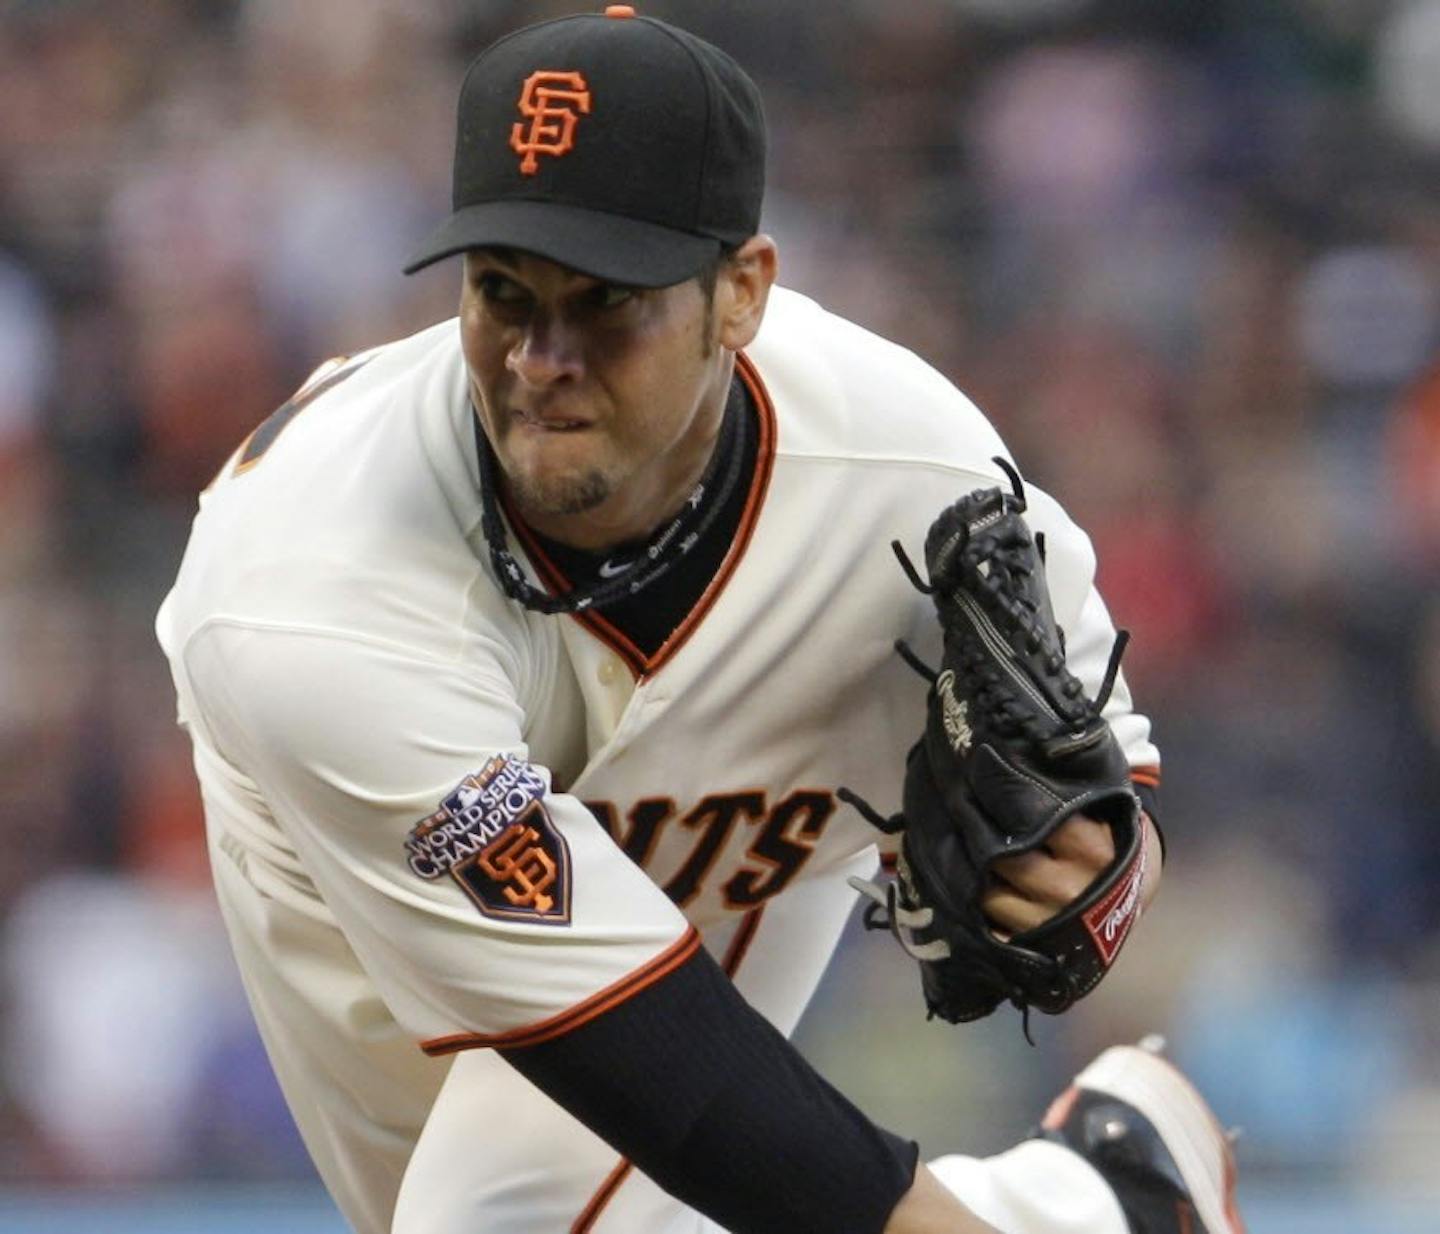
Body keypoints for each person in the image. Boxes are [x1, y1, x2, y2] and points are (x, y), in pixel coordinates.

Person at [157, 7, 1242, 1233]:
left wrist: (1095, 877)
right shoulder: (314, 591)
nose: (540, 357)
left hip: (731, 833)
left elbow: (1111, 794)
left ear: (742, 293)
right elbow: (634, 1051)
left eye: (606, 298)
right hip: (354, 838)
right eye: (504, 291)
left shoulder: (905, 476)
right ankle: (1093, 1202)